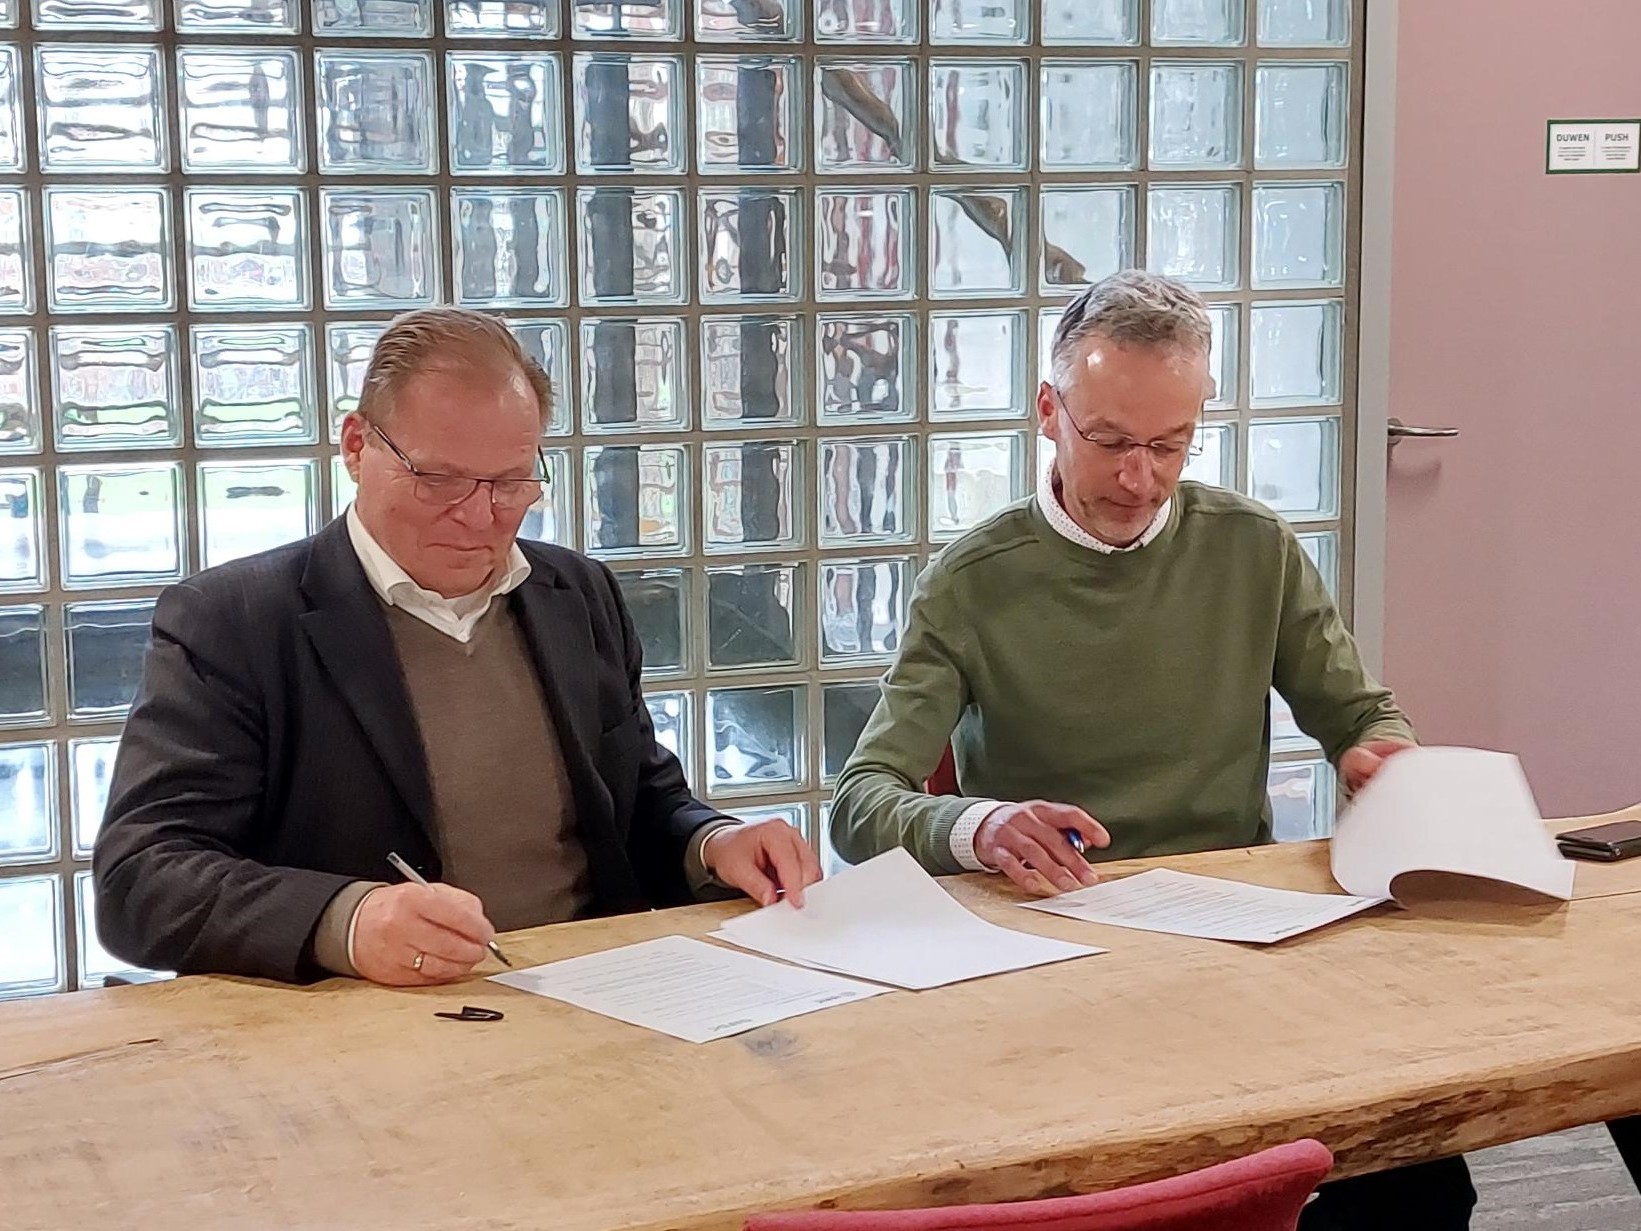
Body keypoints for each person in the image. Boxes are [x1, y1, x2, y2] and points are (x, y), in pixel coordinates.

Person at [828, 270, 1638, 1229]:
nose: (1141, 479)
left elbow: (1361, 714)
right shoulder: (973, 581)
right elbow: (861, 799)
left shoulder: (1250, 546)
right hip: (1058, 944)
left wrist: (1381, 757)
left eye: (1170, 445)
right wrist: (980, 823)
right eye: (1112, 441)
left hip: (1234, 932)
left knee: (1411, 1176)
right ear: (1050, 412)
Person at [95, 307, 821, 988]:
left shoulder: (577, 593)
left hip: (593, 989)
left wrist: (713, 843)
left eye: (509, 483)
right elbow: (142, 878)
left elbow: (638, 806)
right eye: (437, 479)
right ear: (356, 446)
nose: (478, 516)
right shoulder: (237, 620)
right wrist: (343, 920)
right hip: (367, 1024)